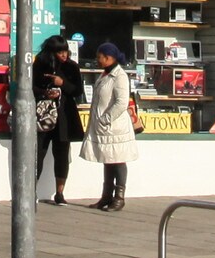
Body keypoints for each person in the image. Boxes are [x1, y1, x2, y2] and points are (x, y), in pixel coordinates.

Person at [79, 42, 138, 211]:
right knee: (107, 160)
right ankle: (106, 196)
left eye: (100, 57)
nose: (97, 60)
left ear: (109, 57)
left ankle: (119, 197)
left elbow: (121, 102)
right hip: (104, 128)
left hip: (115, 127)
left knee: (118, 161)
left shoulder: (119, 76)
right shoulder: (105, 74)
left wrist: (105, 118)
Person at [31, 35, 85, 206]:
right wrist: (45, 92)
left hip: (64, 116)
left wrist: (62, 84)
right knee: (38, 152)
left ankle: (60, 192)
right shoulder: (39, 64)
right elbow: (30, 86)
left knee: (62, 154)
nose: (64, 55)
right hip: (44, 115)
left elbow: (78, 91)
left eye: (65, 51)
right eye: (59, 52)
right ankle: (31, 191)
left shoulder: (72, 67)